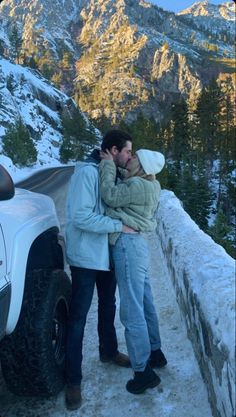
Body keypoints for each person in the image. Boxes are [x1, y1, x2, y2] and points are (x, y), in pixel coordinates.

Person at [64, 129, 133, 410]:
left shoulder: (110, 172)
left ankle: (108, 351)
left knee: (108, 305)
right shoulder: (87, 173)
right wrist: (118, 226)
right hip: (84, 255)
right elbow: (81, 216)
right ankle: (72, 380)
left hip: (105, 254)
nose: (129, 156)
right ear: (113, 151)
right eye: (127, 151)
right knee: (78, 318)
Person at [99, 148, 167, 395]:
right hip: (138, 246)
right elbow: (126, 191)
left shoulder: (137, 185)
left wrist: (107, 165)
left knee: (131, 310)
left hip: (127, 248)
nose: (130, 158)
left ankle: (142, 372)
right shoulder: (152, 184)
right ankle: (156, 352)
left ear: (142, 166)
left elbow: (109, 196)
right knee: (146, 301)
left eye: (134, 157)